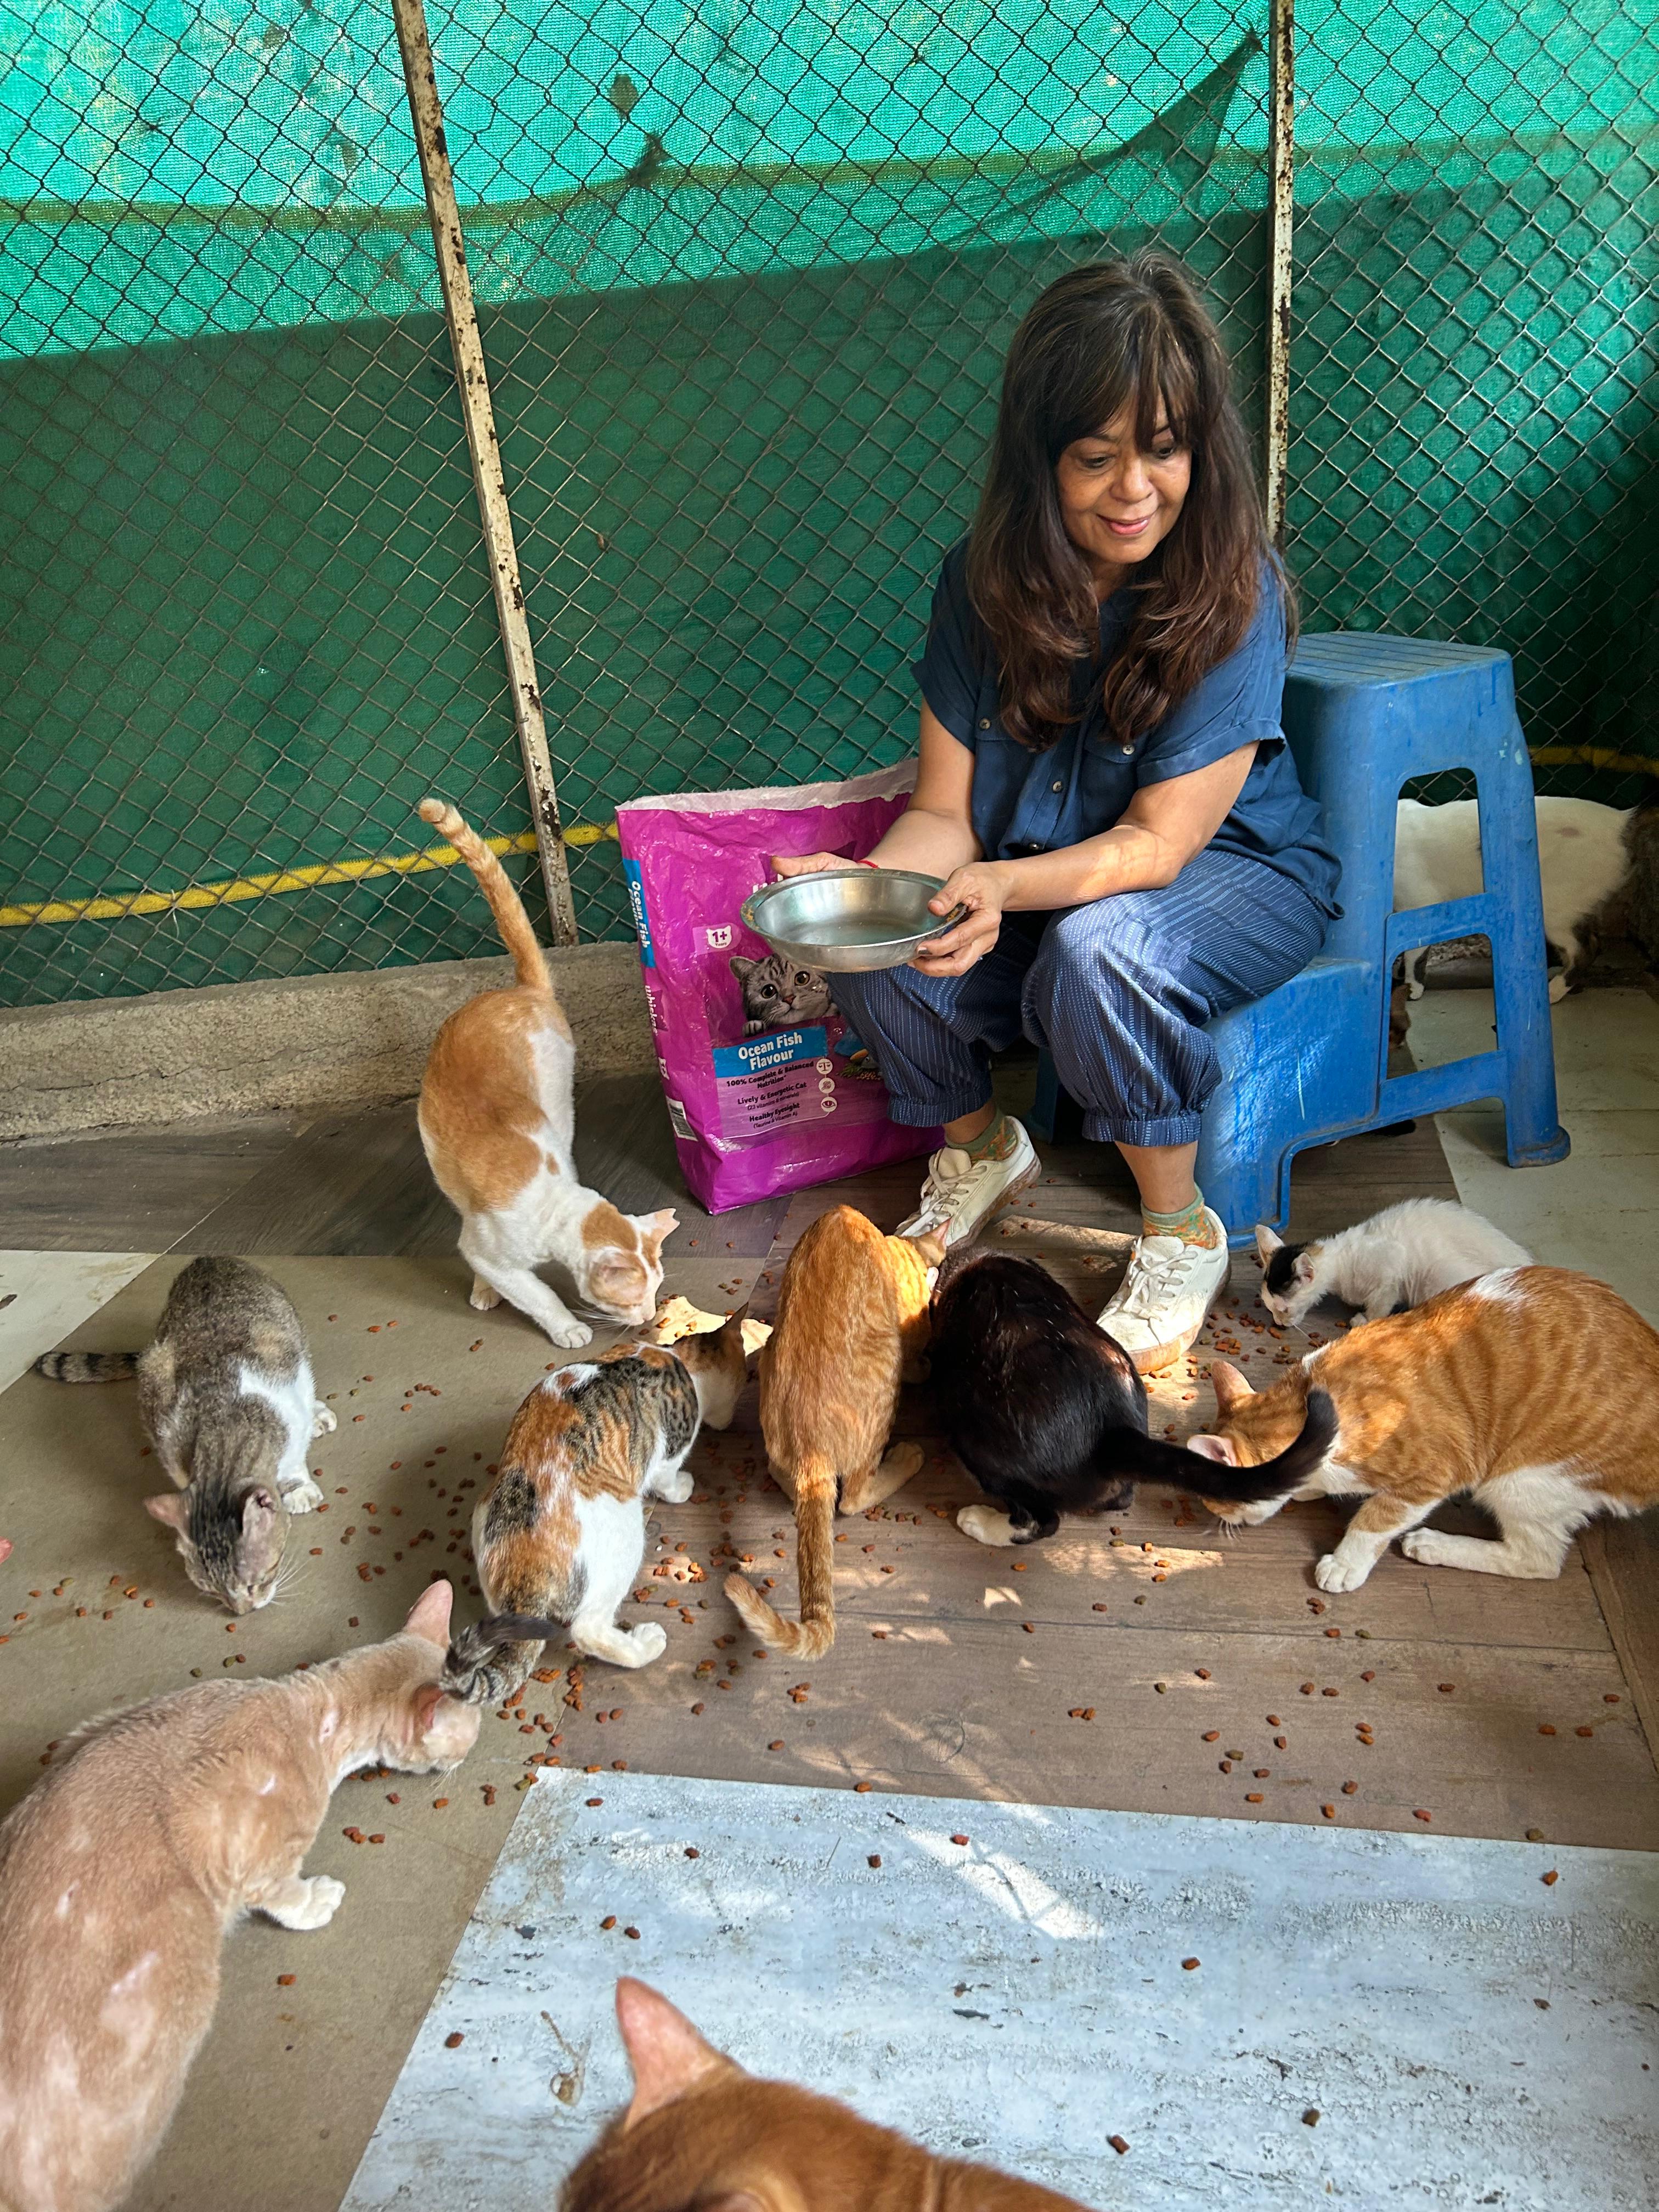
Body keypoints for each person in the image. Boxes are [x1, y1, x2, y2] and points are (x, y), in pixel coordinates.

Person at [774, 252, 1340, 1373]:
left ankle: (1181, 1228)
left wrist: (1000, 887)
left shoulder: (1235, 588)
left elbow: (1157, 845)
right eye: (1097, 457)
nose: (1136, 488)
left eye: (1165, 449)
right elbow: (945, 811)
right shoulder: (978, 583)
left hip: (1227, 876)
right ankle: (982, 1150)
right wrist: (868, 900)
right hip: (1040, 879)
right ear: (1041, 462)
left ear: (1200, 448)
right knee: (875, 928)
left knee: (1099, 950)